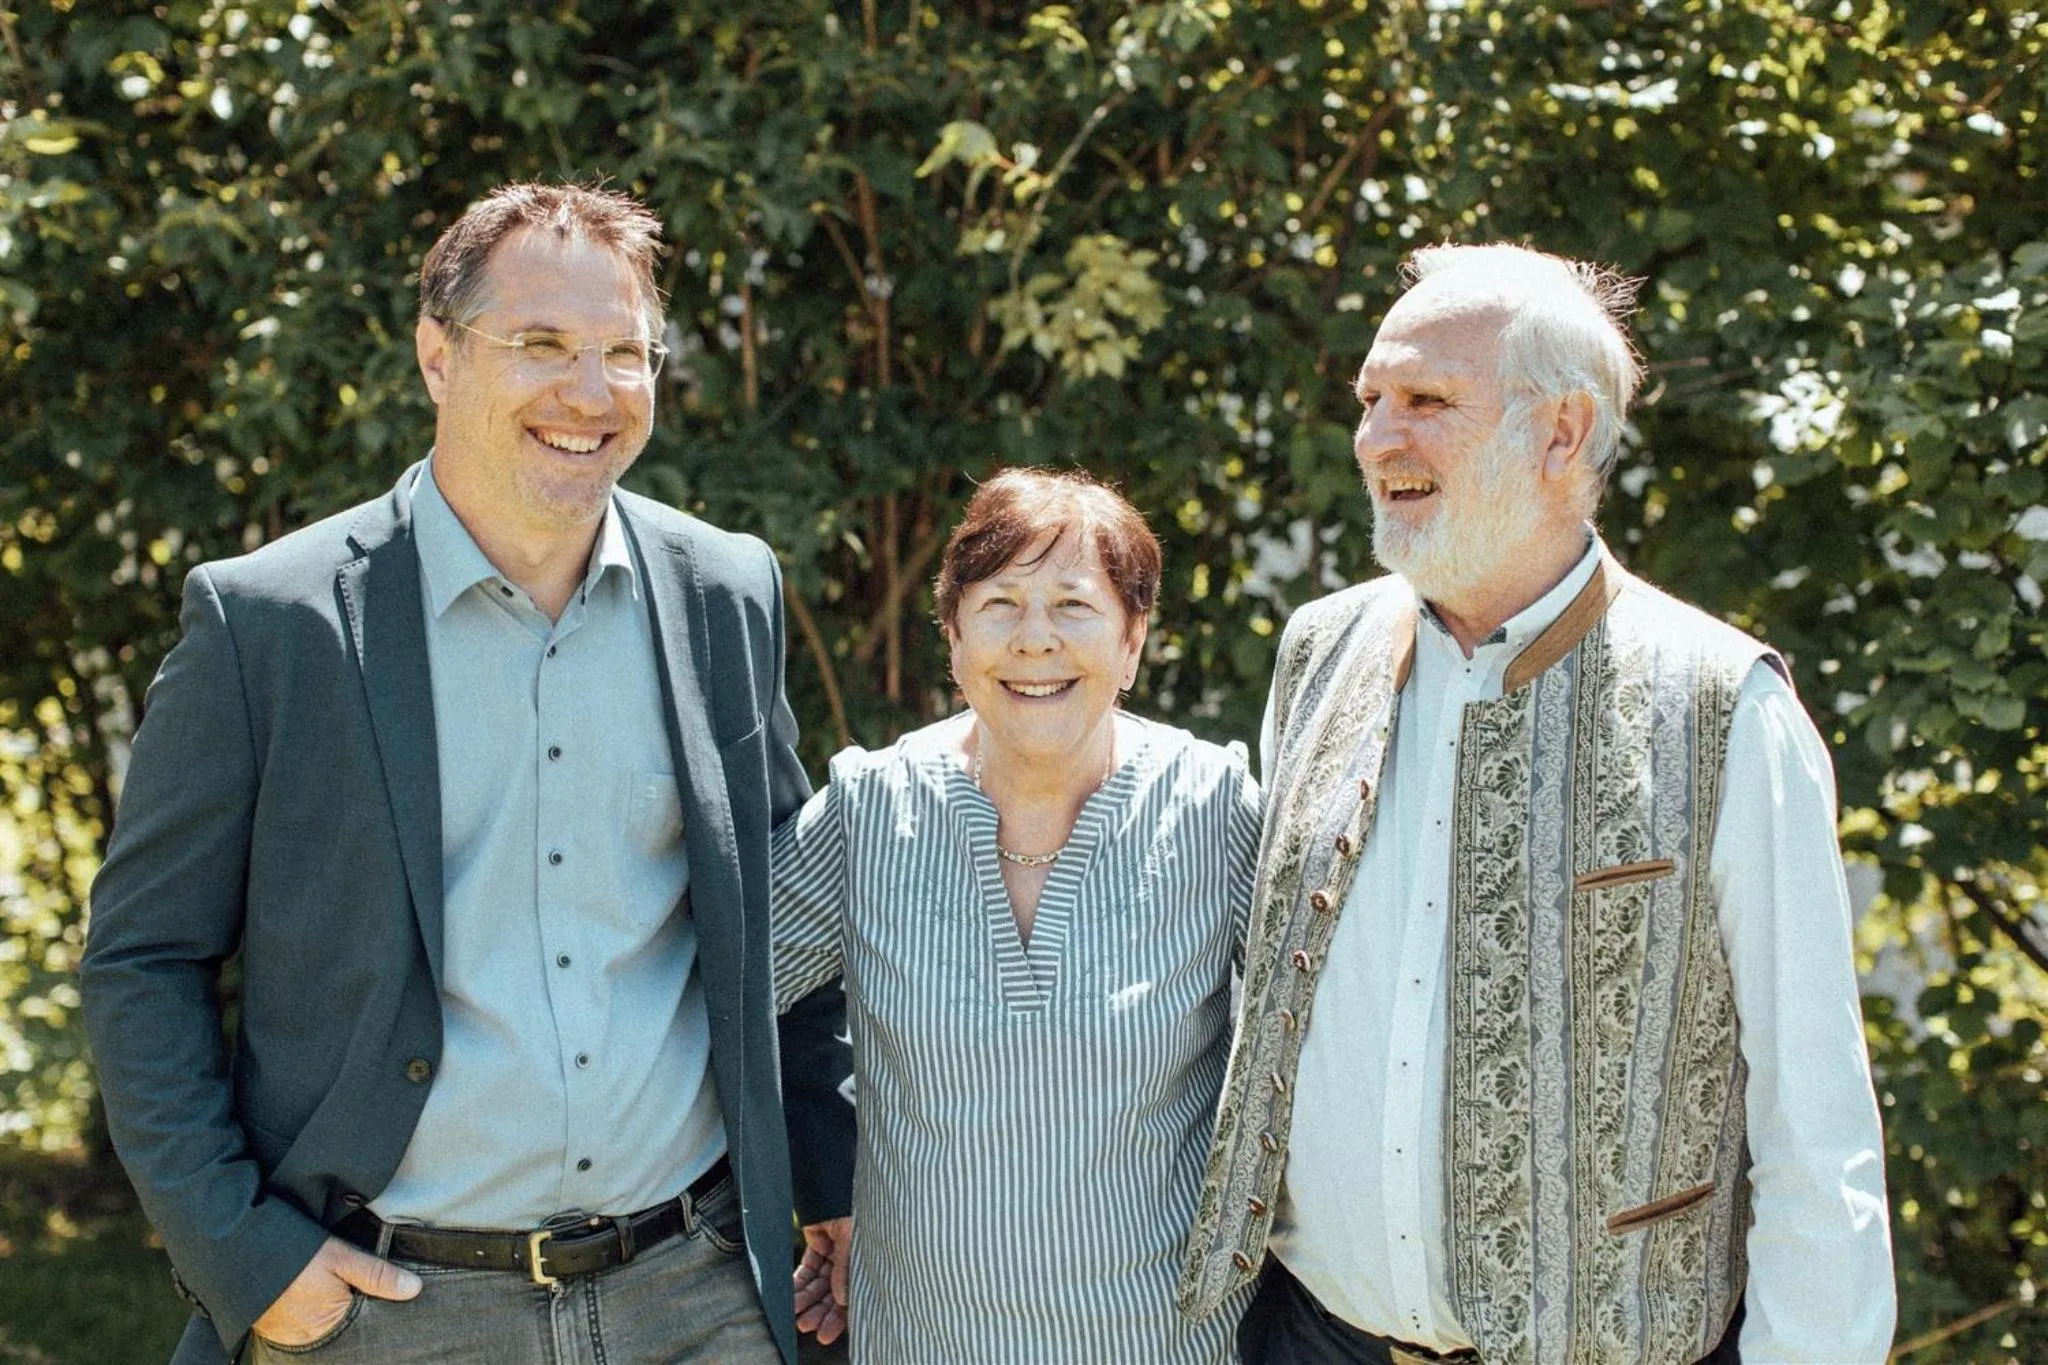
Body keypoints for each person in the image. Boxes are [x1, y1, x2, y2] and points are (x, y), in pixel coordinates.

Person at [80, 182, 854, 1365]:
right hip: (391, 1310)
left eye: (622, 353)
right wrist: (242, 1251)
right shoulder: (272, 625)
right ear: (437, 356)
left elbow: (783, 920)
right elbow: (144, 959)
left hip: (694, 1295)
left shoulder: (723, 591)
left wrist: (830, 1175)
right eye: (539, 344)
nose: (587, 394)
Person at [1180, 244, 1896, 1364]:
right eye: (1369, 400)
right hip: (1312, 1341)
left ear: (1560, 434)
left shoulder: (1722, 706)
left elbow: (1816, 1122)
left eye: (1426, 401)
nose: (1377, 438)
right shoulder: (1315, 649)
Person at [771, 468, 1260, 1363]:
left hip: (1165, 1343)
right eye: (1000, 604)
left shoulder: (1215, 806)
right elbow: (718, 1001)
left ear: (1133, 640)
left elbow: (1317, 1046)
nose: (1035, 640)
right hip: (923, 1340)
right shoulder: (869, 808)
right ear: (953, 639)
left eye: (1074, 605)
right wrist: (817, 1180)